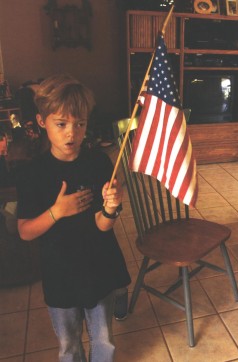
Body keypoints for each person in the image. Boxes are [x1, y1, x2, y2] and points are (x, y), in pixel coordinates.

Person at [16, 74, 131, 361]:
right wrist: (58, 211)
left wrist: (110, 207)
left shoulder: (98, 162)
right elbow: (25, 231)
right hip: (60, 275)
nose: (72, 133)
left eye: (80, 124)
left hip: (99, 268)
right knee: (69, 345)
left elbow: (103, 225)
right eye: (62, 124)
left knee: (104, 340)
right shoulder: (34, 173)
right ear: (43, 122)